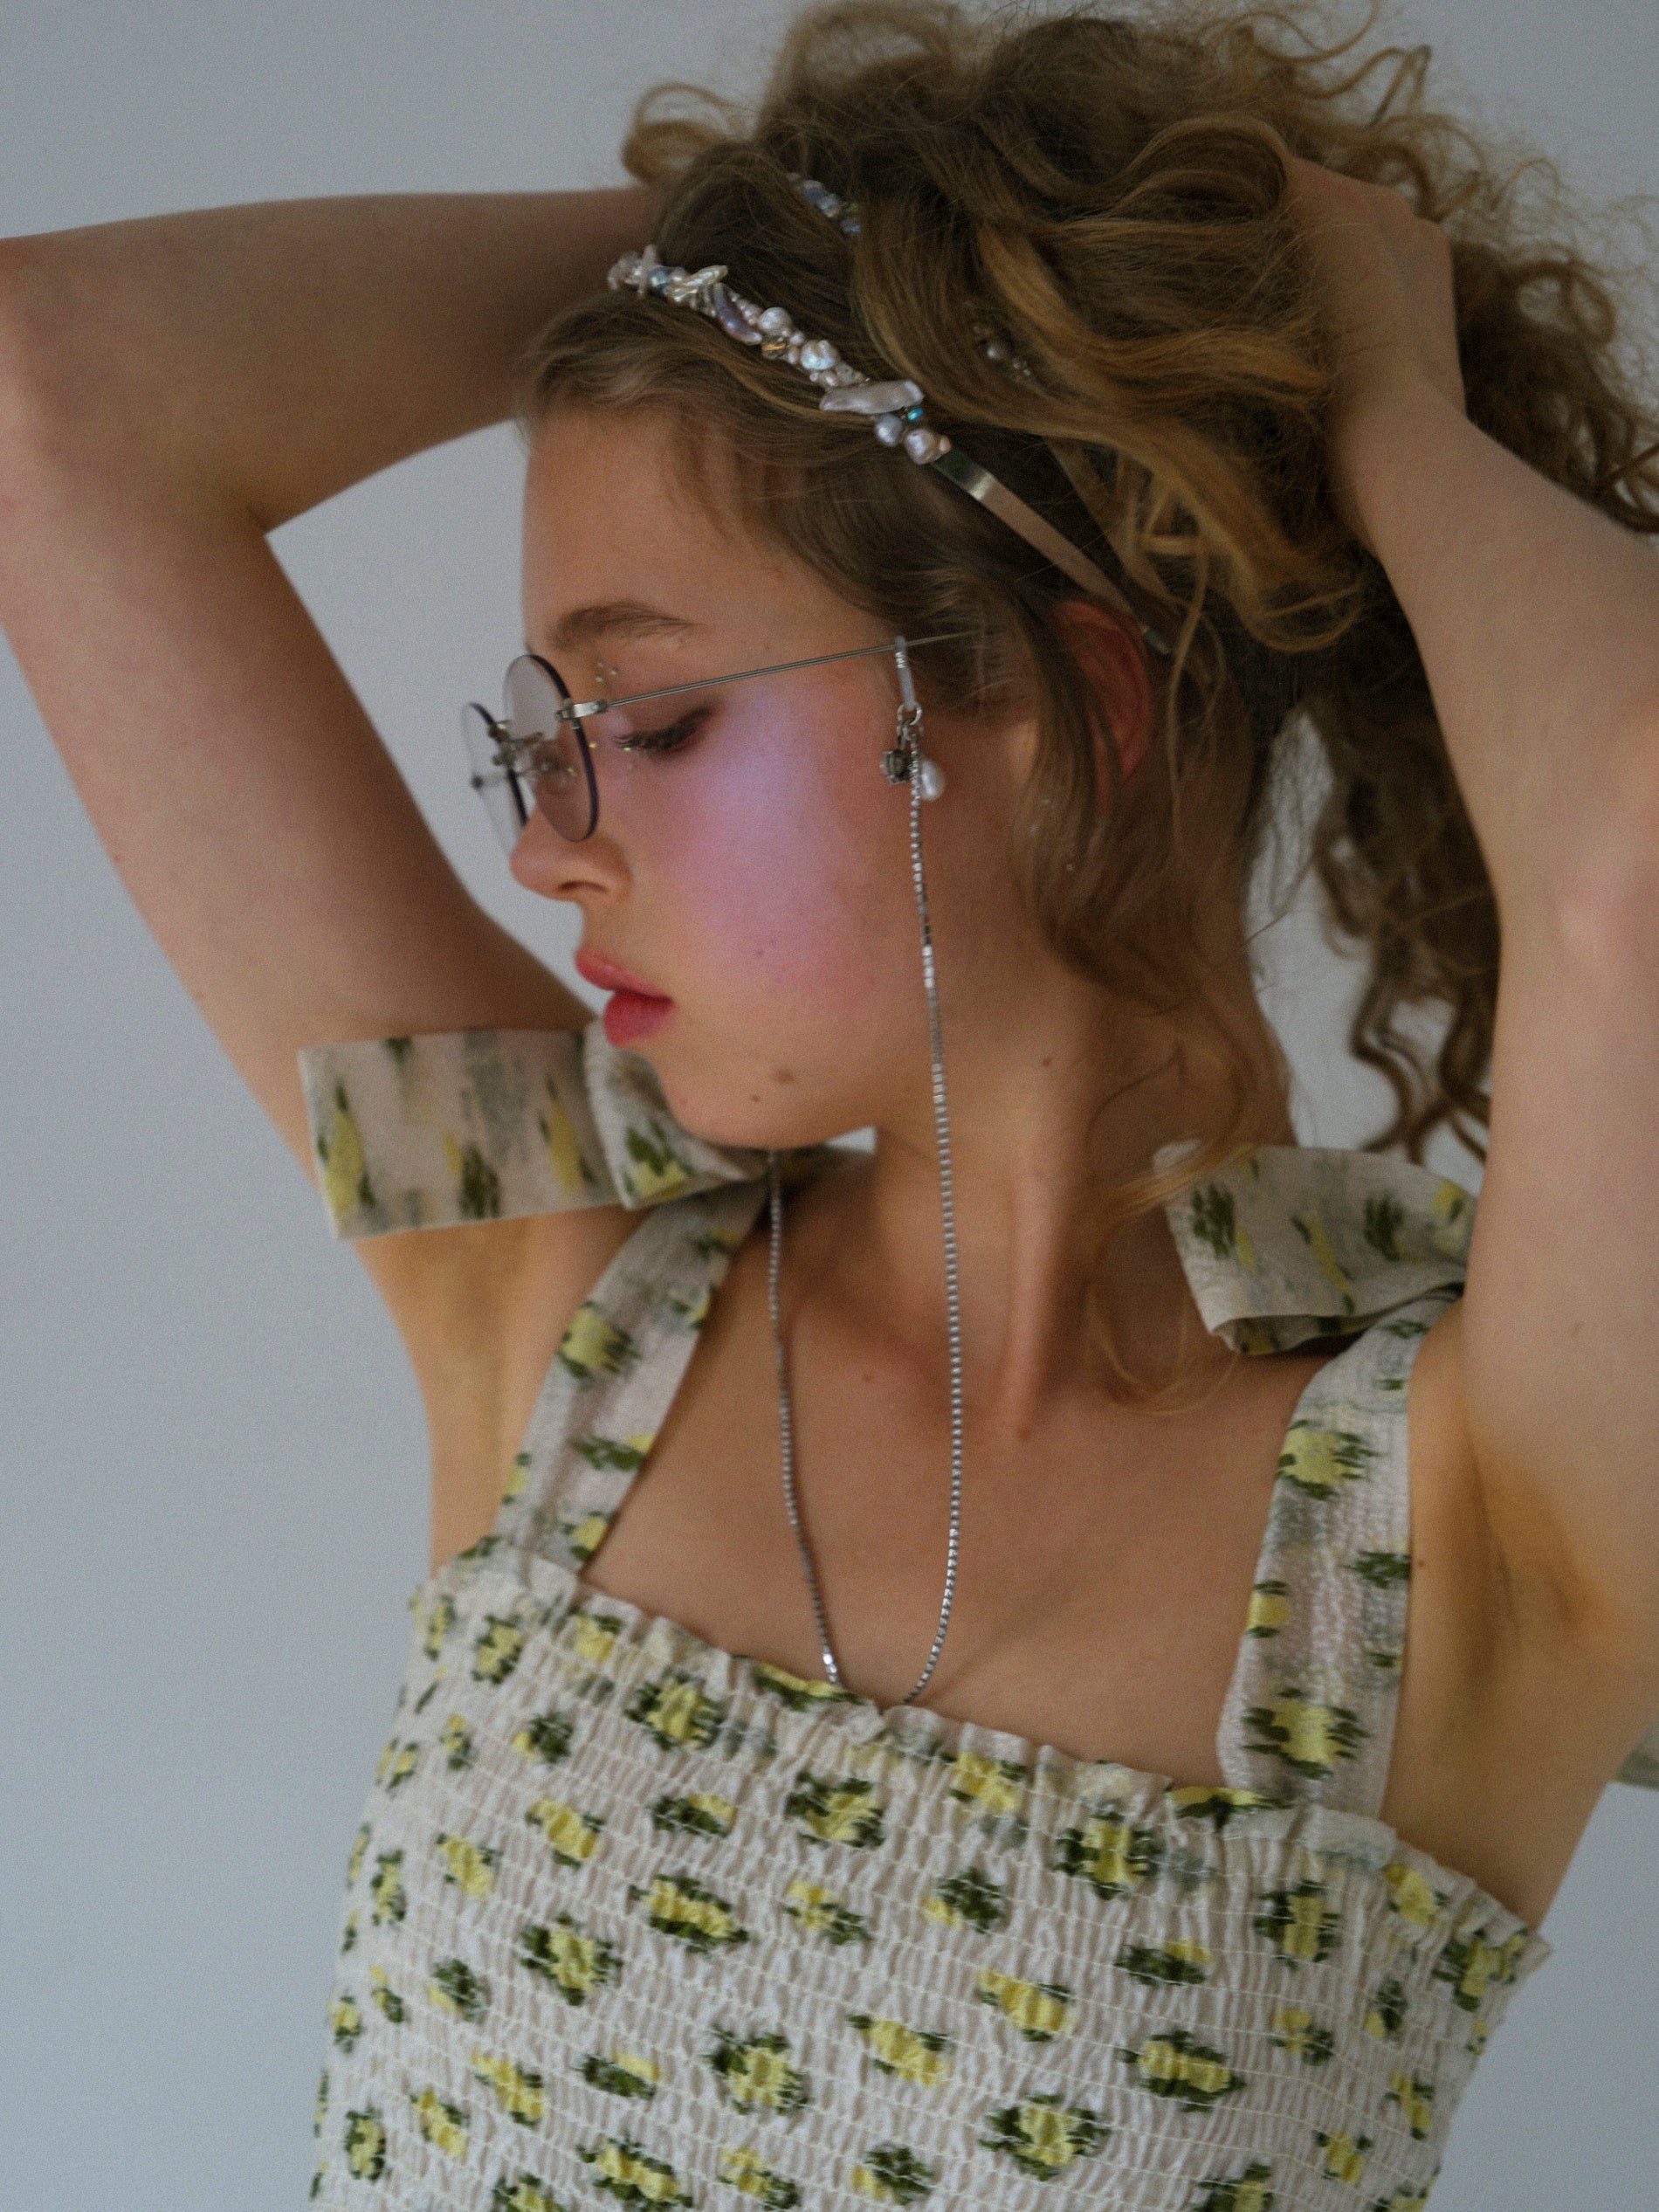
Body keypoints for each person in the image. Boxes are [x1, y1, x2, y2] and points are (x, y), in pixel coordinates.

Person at [3, 0, 1658, 2202]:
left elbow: (1636, 832)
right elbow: (48, 388)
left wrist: (1370, 404)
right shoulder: (554, 1297)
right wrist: (814, 269)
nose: (549, 842)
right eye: (540, 732)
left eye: (649, 716)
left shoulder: (1479, 1520)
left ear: (1066, 701)